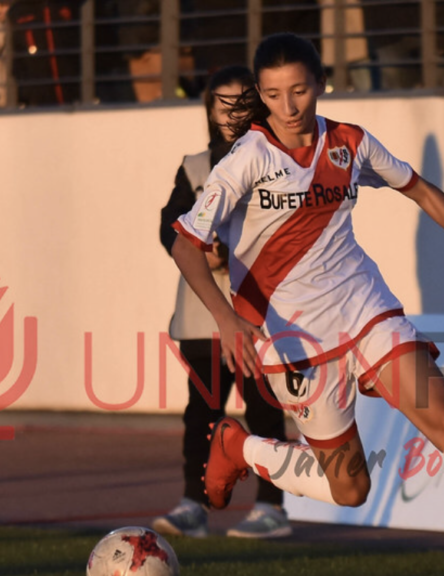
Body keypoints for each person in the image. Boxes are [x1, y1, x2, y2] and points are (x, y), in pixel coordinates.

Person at [170, 33, 444, 576]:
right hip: (292, 337)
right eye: (274, 95)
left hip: (364, 309)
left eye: (299, 90)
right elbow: (186, 243)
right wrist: (226, 320)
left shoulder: (349, 142)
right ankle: (240, 447)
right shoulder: (246, 160)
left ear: (322, 83)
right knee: (348, 489)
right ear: (261, 93)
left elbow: (419, 189)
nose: (289, 107)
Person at [154, 66, 292, 539]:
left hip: (256, 315)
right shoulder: (194, 166)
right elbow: (170, 228)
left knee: (264, 410)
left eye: (241, 103)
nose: (231, 114)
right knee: (203, 414)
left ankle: (272, 507)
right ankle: (194, 504)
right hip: (202, 317)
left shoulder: (275, 159)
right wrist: (201, 248)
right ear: (208, 110)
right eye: (222, 104)